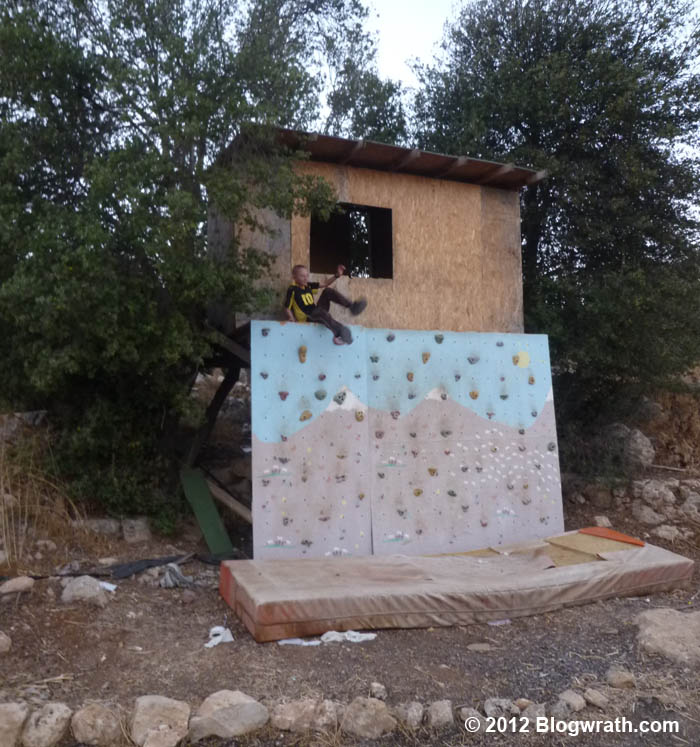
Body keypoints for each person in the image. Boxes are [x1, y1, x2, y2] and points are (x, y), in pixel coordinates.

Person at [283, 264, 367, 345]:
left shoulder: (307, 286)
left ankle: (352, 307)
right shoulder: (292, 289)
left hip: (316, 312)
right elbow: (287, 307)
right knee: (321, 312)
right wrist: (292, 320)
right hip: (308, 317)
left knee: (327, 291)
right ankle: (339, 334)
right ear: (294, 277)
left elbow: (325, 284)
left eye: (306, 276)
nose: (305, 278)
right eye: (302, 276)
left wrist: (337, 275)